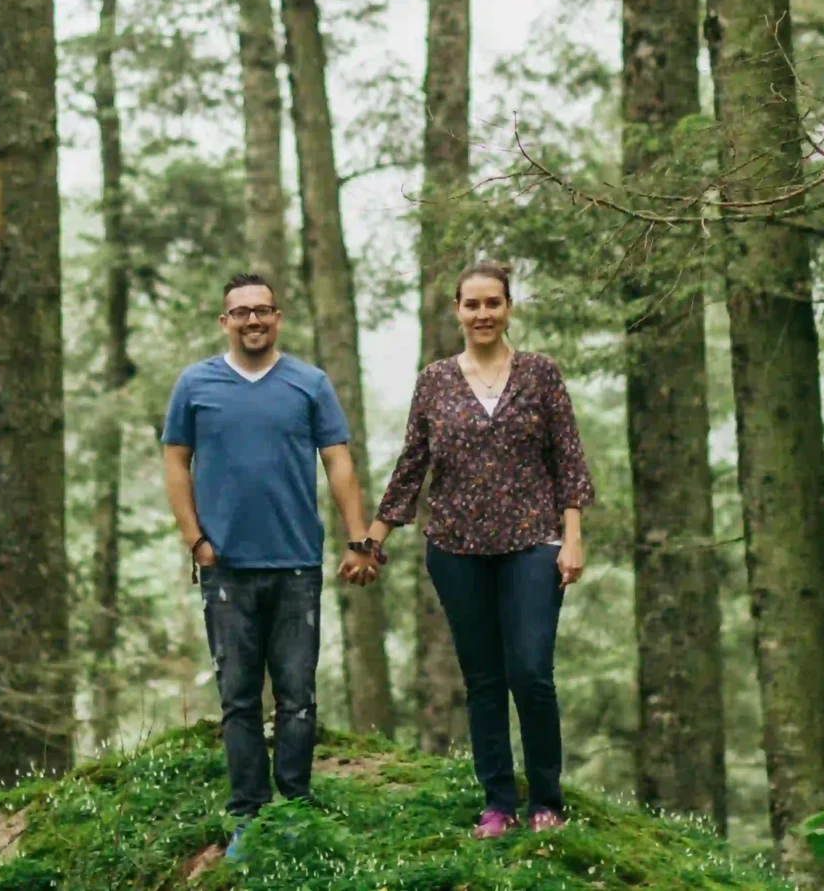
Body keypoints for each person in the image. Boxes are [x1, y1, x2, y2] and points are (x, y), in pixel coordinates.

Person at [359, 262, 593, 838]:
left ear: (508, 307)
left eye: (493, 303)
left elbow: (568, 460)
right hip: (456, 547)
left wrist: (573, 537)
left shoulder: (540, 374)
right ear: (457, 311)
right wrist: (373, 537)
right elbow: (413, 463)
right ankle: (497, 803)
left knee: (532, 672)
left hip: (533, 542)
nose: (483, 314)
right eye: (472, 305)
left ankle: (546, 799)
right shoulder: (435, 380)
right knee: (483, 678)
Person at [163, 272, 376, 852]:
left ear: (278, 317)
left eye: (263, 310)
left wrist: (359, 538)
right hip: (225, 565)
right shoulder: (195, 384)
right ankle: (247, 814)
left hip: (296, 565)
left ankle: (296, 804)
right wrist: (195, 540)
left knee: (297, 694)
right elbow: (176, 462)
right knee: (237, 697)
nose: (253, 320)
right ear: (224, 321)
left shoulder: (309, 383)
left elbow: (338, 462)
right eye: (241, 312)